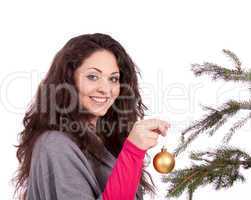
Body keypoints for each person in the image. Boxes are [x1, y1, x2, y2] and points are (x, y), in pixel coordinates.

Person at [13, 33, 170, 200]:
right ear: (68, 81)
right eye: (92, 77)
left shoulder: (106, 140)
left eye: (113, 78)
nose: (106, 89)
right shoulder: (55, 144)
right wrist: (132, 153)